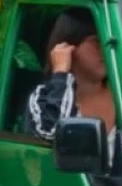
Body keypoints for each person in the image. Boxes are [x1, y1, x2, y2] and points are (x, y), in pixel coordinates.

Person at [23, 8, 116, 139]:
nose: (105, 51)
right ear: (67, 46)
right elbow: (50, 132)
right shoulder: (43, 97)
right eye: (96, 43)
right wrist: (60, 73)